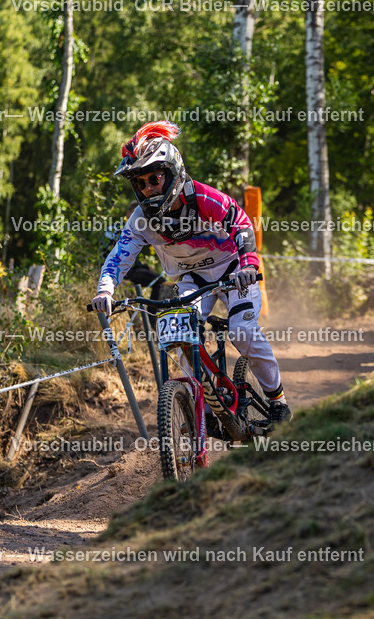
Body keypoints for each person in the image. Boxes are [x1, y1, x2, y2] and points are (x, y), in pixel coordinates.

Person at [91, 121, 292, 426]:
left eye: (154, 179)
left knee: (242, 332)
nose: (148, 188)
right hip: (191, 279)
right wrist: (105, 289)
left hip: (233, 270)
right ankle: (210, 404)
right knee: (180, 336)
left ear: (172, 172)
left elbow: (241, 223)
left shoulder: (202, 197)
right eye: (140, 183)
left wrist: (249, 265)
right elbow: (119, 257)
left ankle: (278, 401)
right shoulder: (141, 219)